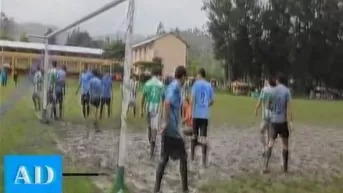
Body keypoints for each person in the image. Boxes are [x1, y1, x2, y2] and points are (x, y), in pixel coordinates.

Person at [154, 65, 188, 193]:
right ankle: (185, 189)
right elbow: (167, 103)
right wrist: (167, 122)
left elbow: (170, 104)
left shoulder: (172, 86)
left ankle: (156, 188)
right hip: (172, 129)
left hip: (170, 128)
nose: (185, 80)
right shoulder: (175, 87)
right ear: (183, 76)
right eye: (185, 77)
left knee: (164, 157)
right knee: (183, 157)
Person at [263, 73, 292, 173]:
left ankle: (265, 166)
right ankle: (285, 168)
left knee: (270, 143)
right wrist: (290, 121)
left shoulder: (272, 90)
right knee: (285, 144)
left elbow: (267, 106)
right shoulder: (287, 91)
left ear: (277, 80)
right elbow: (289, 108)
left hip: (273, 121)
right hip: (283, 121)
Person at [190, 68, 214, 168]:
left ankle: (192, 158)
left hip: (196, 114)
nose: (196, 77)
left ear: (200, 75)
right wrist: (206, 105)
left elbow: (192, 99)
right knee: (203, 138)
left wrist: (191, 111)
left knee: (194, 136)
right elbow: (212, 101)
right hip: (204, 115)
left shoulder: (196, 84)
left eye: (197, 75)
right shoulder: (209, 85)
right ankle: (203, 162)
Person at [141, 68, 164, 159]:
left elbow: (143, 97)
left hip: (148, 108)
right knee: (154, 129)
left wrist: (142, 110)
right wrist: (162, 110)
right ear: (158, 75)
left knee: (149, 128)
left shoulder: (147, 83)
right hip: (156, 109)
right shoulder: (161, 84)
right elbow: (164, 98)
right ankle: (152, 151)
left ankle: (151, 144)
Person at [254, 79, 272, 152]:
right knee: (269, 133)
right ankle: (268, 147)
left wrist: (256, 109)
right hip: (273, 116)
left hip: (266, 115)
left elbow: (260, 100)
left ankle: (265, 147)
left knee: (261, 131)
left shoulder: (264, 90)